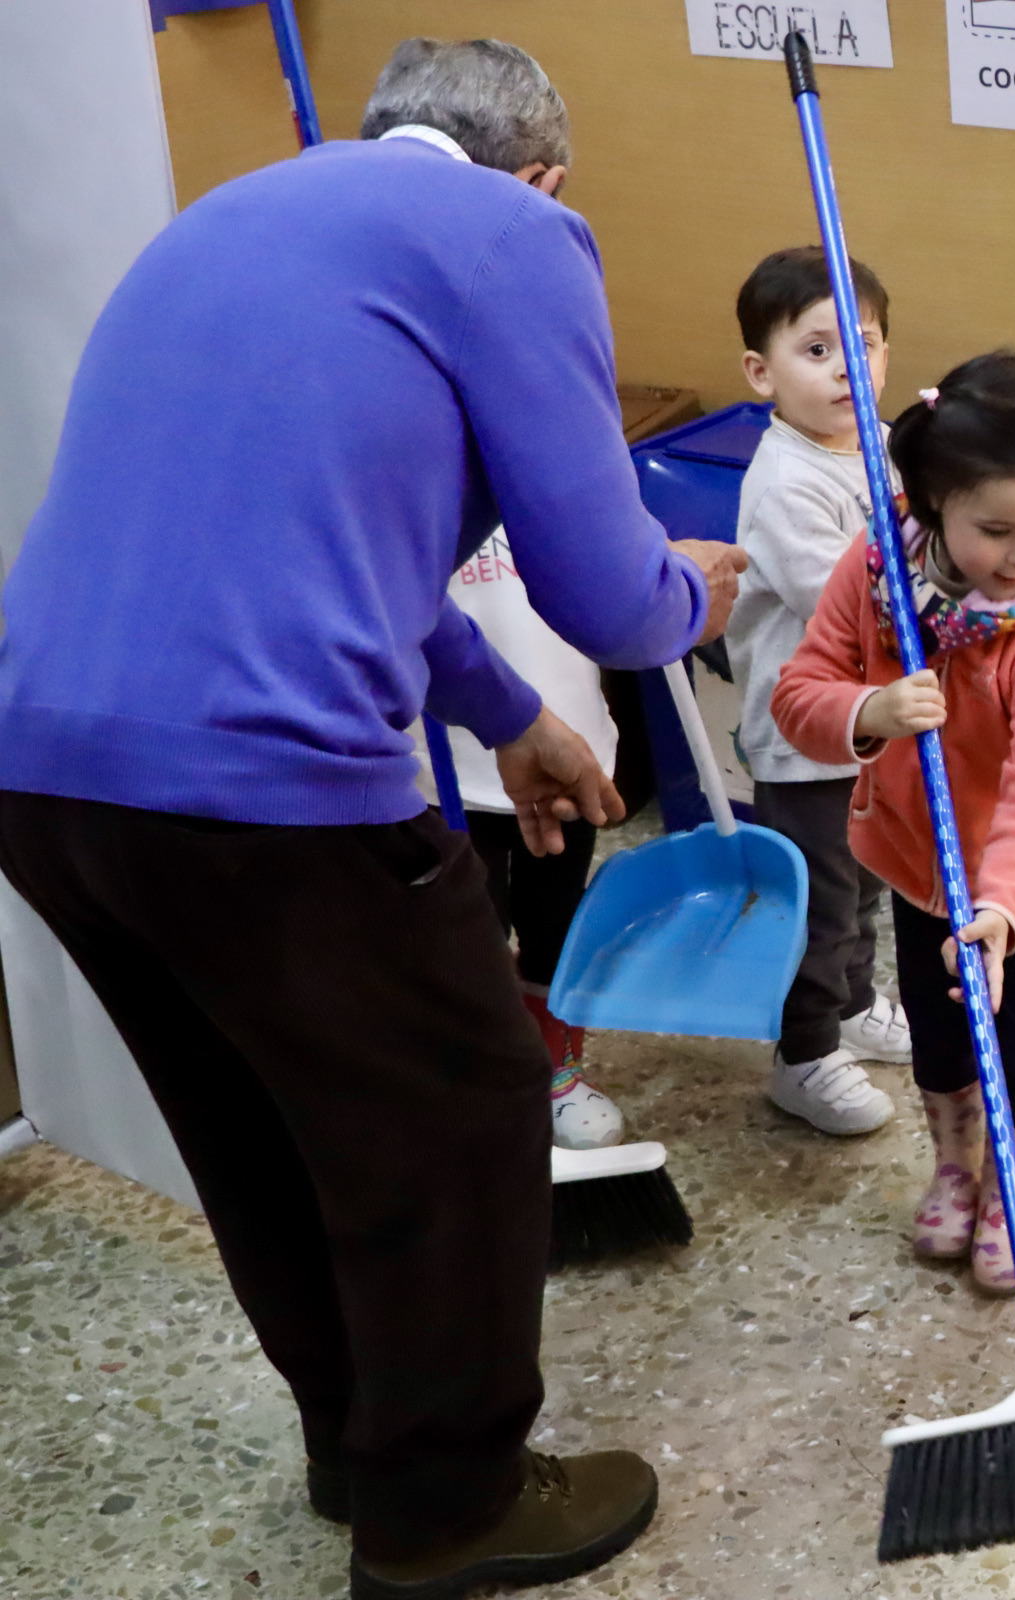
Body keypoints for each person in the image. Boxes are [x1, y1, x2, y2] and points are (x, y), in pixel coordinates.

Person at [0, 38, 747, 1596]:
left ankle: (359, 1448)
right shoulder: (519, 235)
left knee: (261, 1118)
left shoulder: (228, 217)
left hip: (48, 772)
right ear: (540, 174)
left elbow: (338, 544)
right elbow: (610, 591)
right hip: (263, 791)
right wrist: (692, 591)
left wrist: (509, 718)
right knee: (465, 1109)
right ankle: (451, 1508)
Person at [774, 352, 1015, 1294]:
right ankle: (950, 1168)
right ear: (933, 501)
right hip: (920, 857)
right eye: (997, 529)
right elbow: (798, 694)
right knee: (940, 1038)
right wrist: (871, 710)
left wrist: (1004, 911)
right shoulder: (874, 569)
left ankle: (1007, 1187)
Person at [726, 247, 913, 1138]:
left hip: (871, 727)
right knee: (821, 902)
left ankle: (854, 1008)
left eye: (865, 345)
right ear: (761, 371)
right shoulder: (784, 484)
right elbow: (849, 606)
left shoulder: (879, 445)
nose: (848, 367)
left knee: (868, 876)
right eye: (817, 350)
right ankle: (802, 1056)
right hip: (804, 738)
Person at [435, 527, 626, 1150]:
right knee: (468, 934)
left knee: (558, 922)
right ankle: (491, 1072)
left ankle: (556, 1067)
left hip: (568, 741)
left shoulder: (553, 461)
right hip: (443, 765)